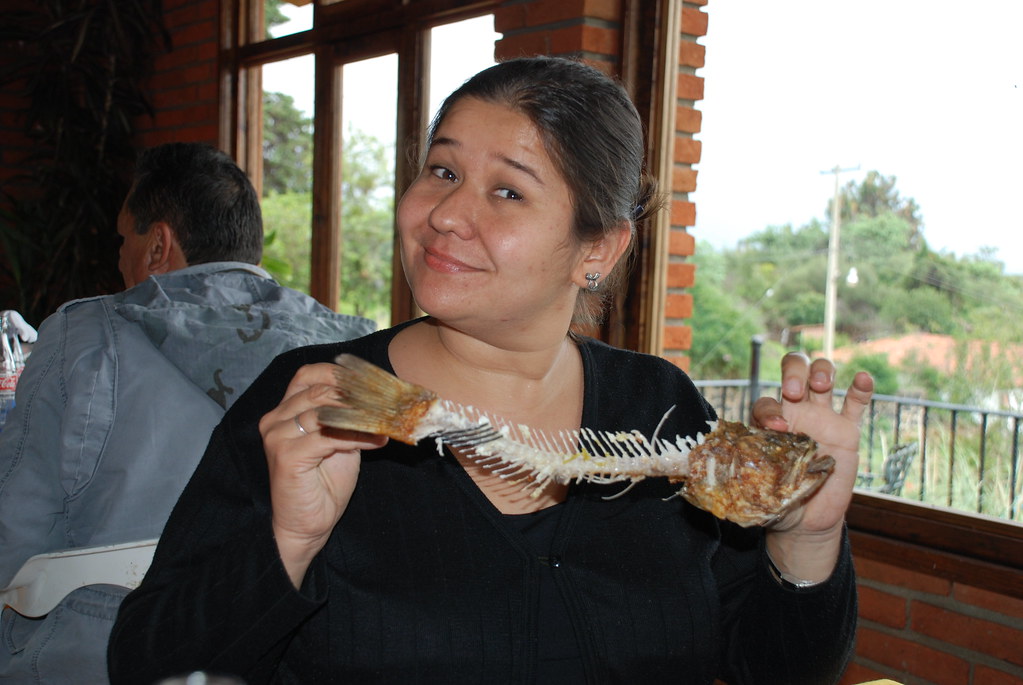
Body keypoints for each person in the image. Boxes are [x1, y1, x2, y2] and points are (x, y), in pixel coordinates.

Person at [108, 58, 874, 685]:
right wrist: (289, 536)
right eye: (441, 170)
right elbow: (149, 665)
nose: (445, 213)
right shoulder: (313, 401)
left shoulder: (660, 407)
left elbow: (773, 668)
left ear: (597, 250)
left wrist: (806, 541)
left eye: (506, 190)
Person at [0, 142, 375, 683]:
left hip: (98, 652)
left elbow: (16, 531)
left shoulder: (82, 336)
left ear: (158, 245)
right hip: (294, 648)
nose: (118, 256)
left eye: (122, 239)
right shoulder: (350, 348)